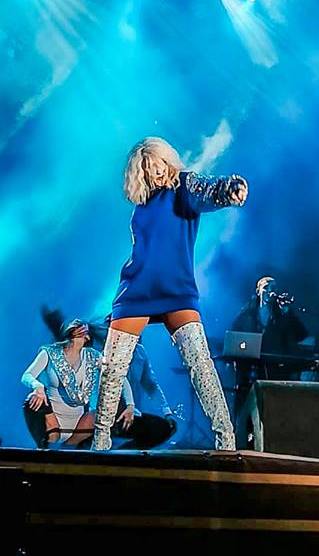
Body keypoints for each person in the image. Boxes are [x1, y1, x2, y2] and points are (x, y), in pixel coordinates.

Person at [92, 136, 248, 451]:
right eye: (148, 168)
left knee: (200, 363)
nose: (157, 171)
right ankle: (100, 438)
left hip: (176, 289)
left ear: (169, 161)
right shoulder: (142, 202)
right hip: (136, 289)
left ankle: (226, 439)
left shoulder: (185, 186)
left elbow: (209, 190)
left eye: (160, 163)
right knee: (112, 367)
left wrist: (230, 189)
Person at [22, 317, 135, 447]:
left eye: (83, 328)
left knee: (108, 411)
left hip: (79, 425)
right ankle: (45, 445)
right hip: (52, 420)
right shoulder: (49, 352)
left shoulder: (92, 356)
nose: (80, 328)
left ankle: (77, 447)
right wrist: (37, 386)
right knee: (32, 398)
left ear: (87, 336)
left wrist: (130, 405)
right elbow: (27, 375)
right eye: (77, 326)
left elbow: (117, 375)